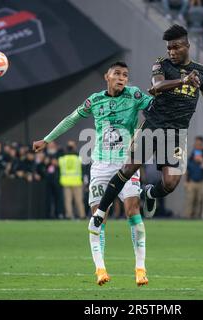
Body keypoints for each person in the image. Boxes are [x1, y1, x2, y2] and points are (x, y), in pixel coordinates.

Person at [89, 25, 203, 239]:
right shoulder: (161, 64)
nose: (171, 52)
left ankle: (148, 193)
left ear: (187, 45)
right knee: (128, 169)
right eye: (169, 48)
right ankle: (100, 214)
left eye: (176, 47)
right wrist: (183, 80)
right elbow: (157, 86)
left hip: (177, 134)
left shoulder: (202, 72)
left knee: (170, 183)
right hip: (153, 126)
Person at [33, 61, 153, 286]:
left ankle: (140, 268)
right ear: (107, 76)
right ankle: (100, 269)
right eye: (117, 73)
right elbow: (71, 119)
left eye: (125, 75)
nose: (122, 78)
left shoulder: (134, 96)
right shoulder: (95, 100)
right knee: (98, 215)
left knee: (132, 210)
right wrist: (47, 139)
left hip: (127, 164)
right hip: (100, 166)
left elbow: (156, 106)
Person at [58, 141, 85, 220]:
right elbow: (83, 167)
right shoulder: (78, 158)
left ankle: (69, 215)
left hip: (66, 182)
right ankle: (82, 215)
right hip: (76, 182)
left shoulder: (62, 159)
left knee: (68, 200)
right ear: (74, 148)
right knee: (79, 200)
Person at [184, 136, 203, 219]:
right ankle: (187, 216)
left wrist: (202, 160)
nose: (197, 145)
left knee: (199, 201)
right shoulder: (191, 154)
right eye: (196, 143)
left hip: (201, 181)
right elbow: (186, 168)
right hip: (191, 181)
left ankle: (197, 217)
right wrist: (186, 181)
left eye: (199, 144)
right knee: (189, 200)